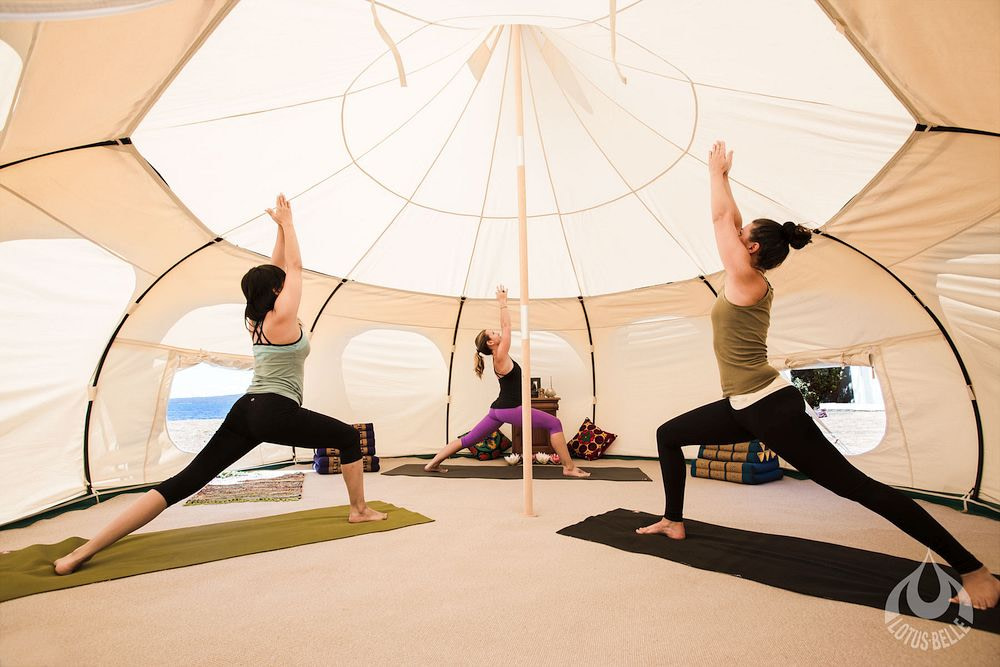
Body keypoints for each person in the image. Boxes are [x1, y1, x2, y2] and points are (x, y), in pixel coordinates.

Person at [637, 141, 999, 610]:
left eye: (742, 233)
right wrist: (724, 179)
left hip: (770, 409)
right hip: (745, 406)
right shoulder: (746, 274)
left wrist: (712, 175)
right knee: (669, 435)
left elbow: (719, 221)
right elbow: (729, 220)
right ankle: (674, 519)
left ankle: (973, 570)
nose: (734, 229)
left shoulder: (746, 280)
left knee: (857, 488)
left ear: (750, 248)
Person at [54, 194, 386, 576]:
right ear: (277, 292)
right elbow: (293, 266)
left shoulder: (258, 322)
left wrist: (277, 228)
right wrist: (291, 223)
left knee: (185, 481)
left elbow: (277, 268)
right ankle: (359, 511)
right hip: (275, 410)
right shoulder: (282, 319)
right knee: (347, 438)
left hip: (246, 410)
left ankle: (86, 550)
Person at [424, 285, 590, 478]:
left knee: (469, 439)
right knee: (554, 423)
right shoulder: (500, 355)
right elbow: (507, 327)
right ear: (490, 343)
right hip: (509, 409)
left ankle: (432, 463)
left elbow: (504, 329)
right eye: (493, 333)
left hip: (497, 410)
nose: (497, 333)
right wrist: (502, 303)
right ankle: (568, 467)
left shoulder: (499, 357)